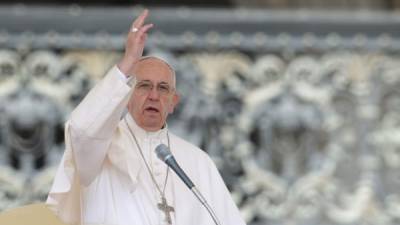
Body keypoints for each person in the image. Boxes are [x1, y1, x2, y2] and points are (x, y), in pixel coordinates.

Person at [46, 9, 246, 225]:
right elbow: (81, 130)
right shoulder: (100, 149)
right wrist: (129, 61)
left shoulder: (199, 162)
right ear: (127, 95)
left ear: (173, 102)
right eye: (144, 86)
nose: (153, 96)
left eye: (162, 88)